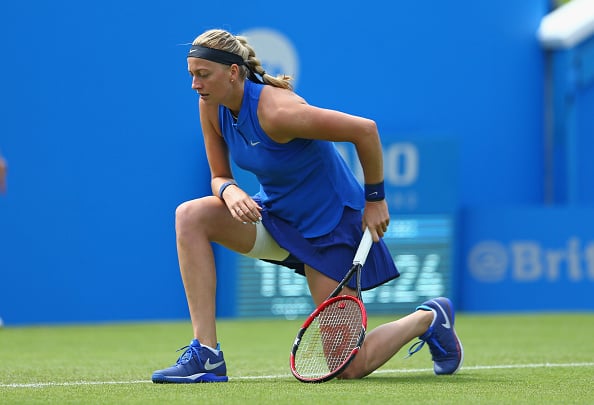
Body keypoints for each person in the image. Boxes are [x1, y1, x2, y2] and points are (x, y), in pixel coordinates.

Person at [151, 28, 463, 383]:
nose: (195, 84)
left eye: (202, 74)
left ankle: (430, 318)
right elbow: (219, 175)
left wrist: (374, 200)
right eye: (191, 74)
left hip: (328, 229)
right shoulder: (210, 105)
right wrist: (230, 192)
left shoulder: (279, 111)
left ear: (233, 72)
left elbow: (366, 130)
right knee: (191, 215)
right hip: (277, 219)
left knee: (348, 367)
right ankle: (206, 354)